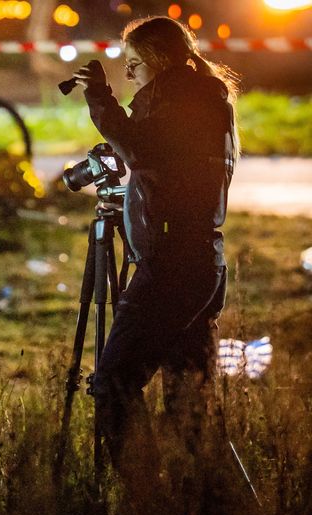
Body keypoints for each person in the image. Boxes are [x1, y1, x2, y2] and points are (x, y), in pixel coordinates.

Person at [71, 16, 239, 487]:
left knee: (113, 385)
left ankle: (149, 501)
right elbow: (172, 172)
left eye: (134, 64)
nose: (129, 75)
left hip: (171, 267)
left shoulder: (178, 98)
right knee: (189, 398)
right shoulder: (204, 99)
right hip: (201, 262)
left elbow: (140, 150)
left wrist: (100, 98)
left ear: (160, 61)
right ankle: (203, 507)